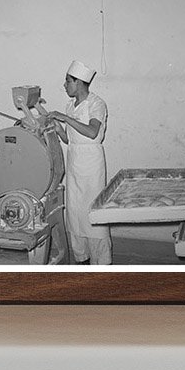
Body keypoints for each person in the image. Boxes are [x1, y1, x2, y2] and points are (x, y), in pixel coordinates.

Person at [49, 59, 111, 265]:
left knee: (92, 214)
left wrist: (67, 120)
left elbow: (92, 132)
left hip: (91, 164)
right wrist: (58, 129)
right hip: (74, 161)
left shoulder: (96, 103)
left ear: (79, 82)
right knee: (75, 214)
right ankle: (82, 259)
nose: (65, 85)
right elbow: (70, 139)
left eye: (68, 81)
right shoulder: (70, 105)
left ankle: (101, 263)